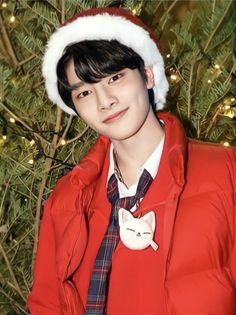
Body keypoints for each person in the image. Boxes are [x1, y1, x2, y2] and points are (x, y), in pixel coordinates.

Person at [27, 7, 236, 315]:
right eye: (84, 93)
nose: (104, 101)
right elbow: (48, 303)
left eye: (115, 77)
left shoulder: (225, 171)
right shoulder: (67, 200)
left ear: (148, 75)